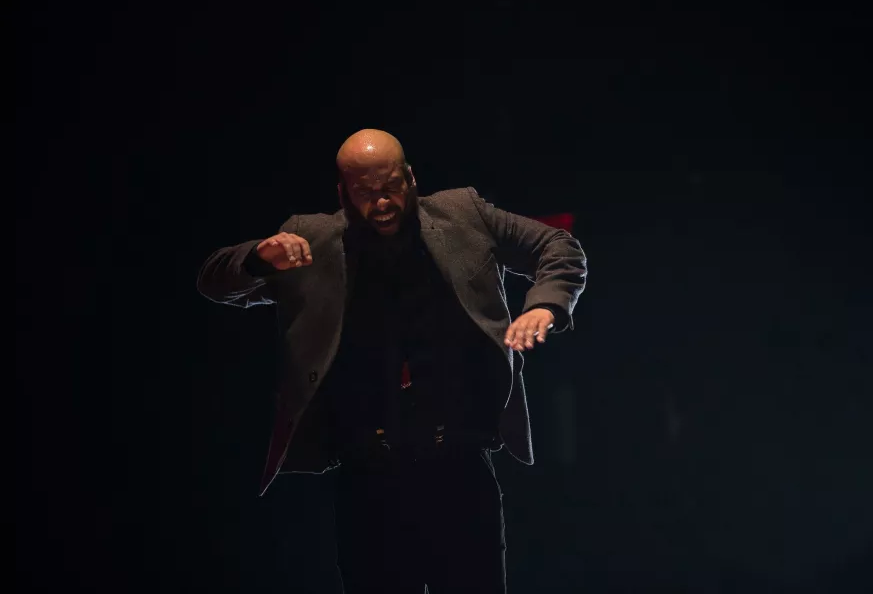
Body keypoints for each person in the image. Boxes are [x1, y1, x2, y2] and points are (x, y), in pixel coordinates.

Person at [197, 129, 587, 593]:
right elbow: (214, 280)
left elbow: (558, 246)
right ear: (342, 193)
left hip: (459, 466)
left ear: (411, 178)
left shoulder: (463, 212)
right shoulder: (310, 238)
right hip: (368, 478)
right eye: (364, 193)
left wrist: (545, 304)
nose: (381, 203)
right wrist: (258, 258)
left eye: (391, 188)